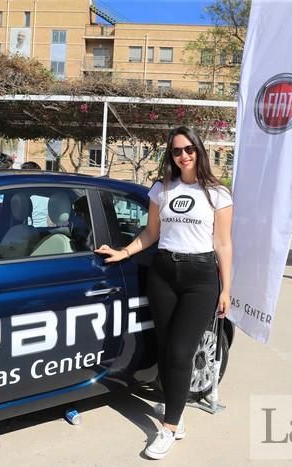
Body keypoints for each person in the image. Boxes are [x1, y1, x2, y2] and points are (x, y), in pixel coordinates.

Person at [94, 126, 233, 460]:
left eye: (189, 149)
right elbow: (151, 232)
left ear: (199, 151)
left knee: (182, 352)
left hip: (200, 277)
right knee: (166, 347)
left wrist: (227, 287)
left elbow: (223, 244)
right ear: (169, 155)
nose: (183, 156)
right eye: (176, 151)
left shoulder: (217, 193)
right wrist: (123, 252)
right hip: (163, 273)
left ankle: (170, 428)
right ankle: (176, 412)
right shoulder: (161, 189)